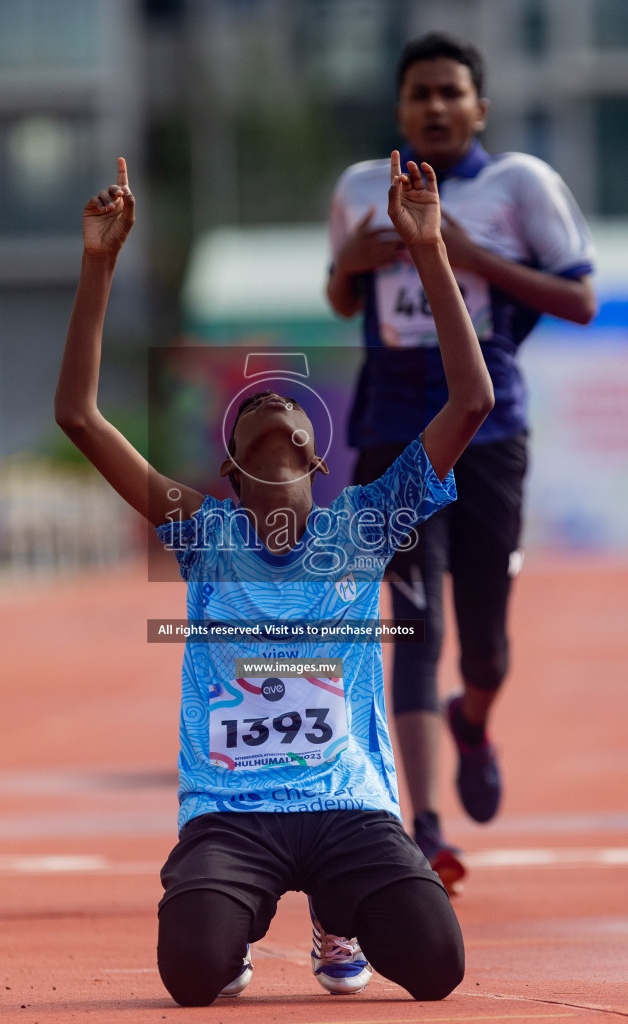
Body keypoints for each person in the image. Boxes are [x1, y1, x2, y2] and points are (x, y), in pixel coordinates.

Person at [55, 152, 493, 1006]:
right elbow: (78, 416)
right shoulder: (201, 533)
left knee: (437, 968)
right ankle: (234, 925)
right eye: (248, 405)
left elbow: (469, 401)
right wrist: (98, 264)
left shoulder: (364, 524)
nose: (266, 400)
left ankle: (341, 916)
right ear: (227, 466)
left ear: (312, 450)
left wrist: (429, 249)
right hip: (231, 813)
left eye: (281, 401)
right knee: (191, 976)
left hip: (347, 808)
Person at [327, 31, 596, 894]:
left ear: (479, 106)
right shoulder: (361, 187)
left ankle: (472, 720)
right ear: (399, 109)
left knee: (481, 645)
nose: (435, 107)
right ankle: (427, 828)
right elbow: (340, 296)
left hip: (489, 429)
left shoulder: (520, 185)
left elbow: (581, 297)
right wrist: (353, 264)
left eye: (451, 92)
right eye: (419, 94)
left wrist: (461, 251)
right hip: (394, 431)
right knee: (412, 625)